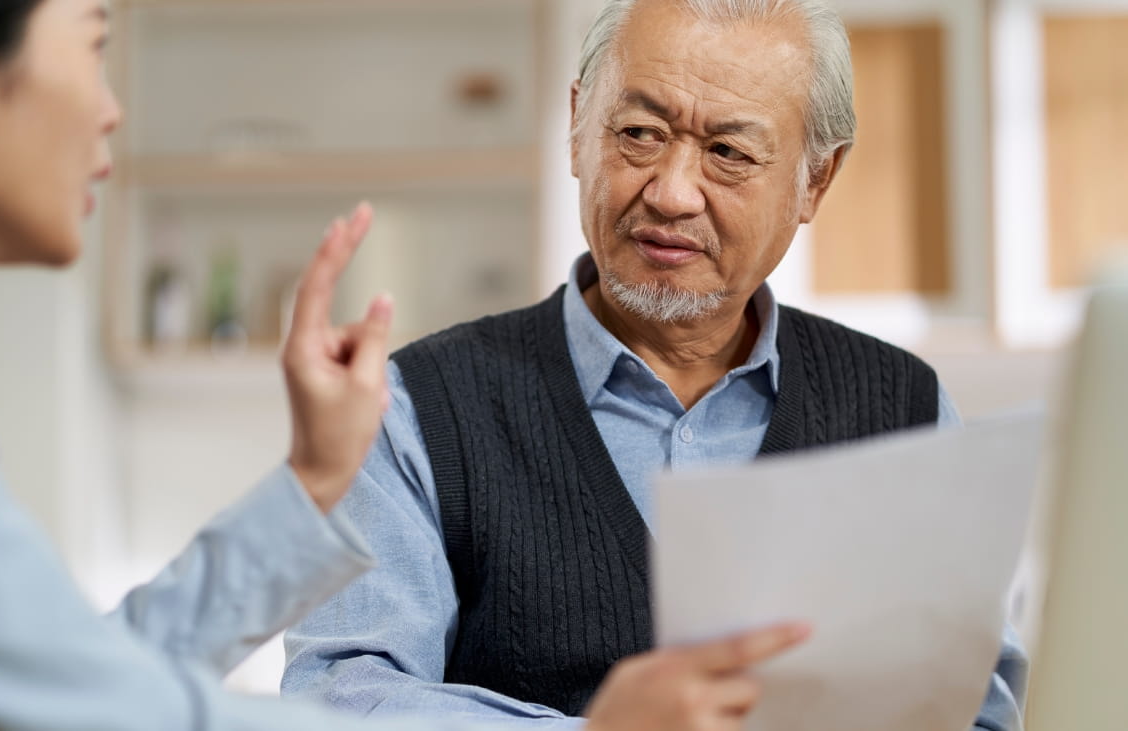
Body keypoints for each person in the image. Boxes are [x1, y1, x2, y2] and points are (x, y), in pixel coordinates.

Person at [0, 1, 815, 729]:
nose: (112, 110)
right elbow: (95, 711)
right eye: (92, 46)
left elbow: (73, 676)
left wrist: (311, 482)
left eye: (730, 150)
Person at [281, 0, 1028, 729]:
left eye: (729, 152)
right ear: (577, 129)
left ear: (816, 181)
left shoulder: (903, 411)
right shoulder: (413, 408)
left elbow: (979, 709)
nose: (671, 193)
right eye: (639, 132)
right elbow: (339, 695)